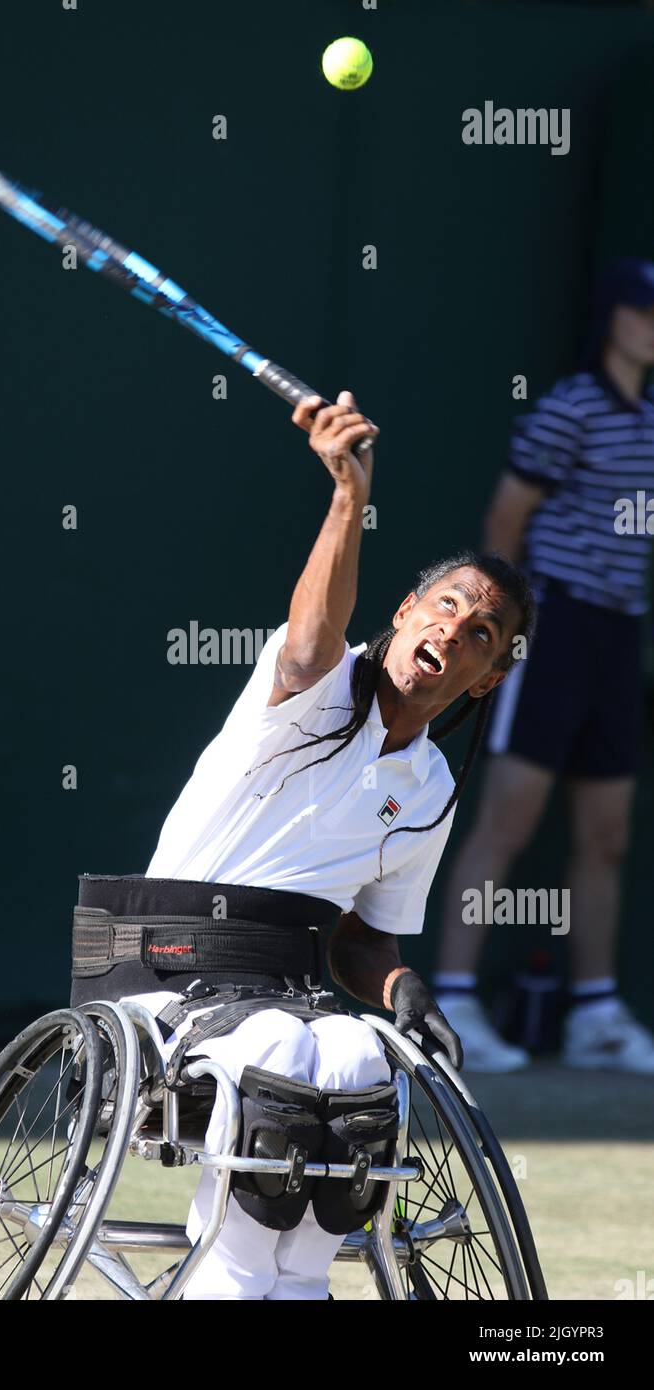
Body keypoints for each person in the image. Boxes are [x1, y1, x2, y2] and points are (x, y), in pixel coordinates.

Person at [71, 391, 535, 1299]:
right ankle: (235, 1280)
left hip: (280, 992)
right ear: (404, 613)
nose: (454, 630)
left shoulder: (432, 789)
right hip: (159, 968)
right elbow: (312, 634)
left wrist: (405, 988)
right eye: (444, 607)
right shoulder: (316, 692)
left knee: (363, 1060)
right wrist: (347, 498)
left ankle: (297, 1286)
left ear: (487, 678)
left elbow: (363, 940)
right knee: (288, 1046)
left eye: (483, 633)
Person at [432, 257, 654, 1074]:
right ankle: (452, 998)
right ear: (613, 319)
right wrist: (505, 632)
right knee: (508, 821)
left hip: (618, 636)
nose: (652, 325)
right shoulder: (569, 409)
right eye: (641, 311)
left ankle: (594, 1012)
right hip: (552, 627)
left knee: (607, 834)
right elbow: (506, 516)